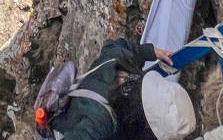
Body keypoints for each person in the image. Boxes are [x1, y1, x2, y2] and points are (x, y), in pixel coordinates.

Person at [37, 40, 174, 140]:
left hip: (75, 111)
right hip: (63, 130)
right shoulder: (101, 121)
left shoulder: (118, 60)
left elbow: (115, 45)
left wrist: (148, 51)